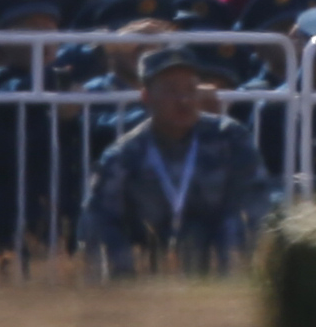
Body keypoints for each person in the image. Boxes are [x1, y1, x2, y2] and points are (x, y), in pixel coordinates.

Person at [78, 48, 274, 272]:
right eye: (171, 91)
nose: (184, 100)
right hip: (149, 260)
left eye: (190, 89)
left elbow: (256, 200)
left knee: (236, 223)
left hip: (216, 255)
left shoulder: (229, 137)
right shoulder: (124, 153)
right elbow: (98, 217)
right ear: (146, 97)